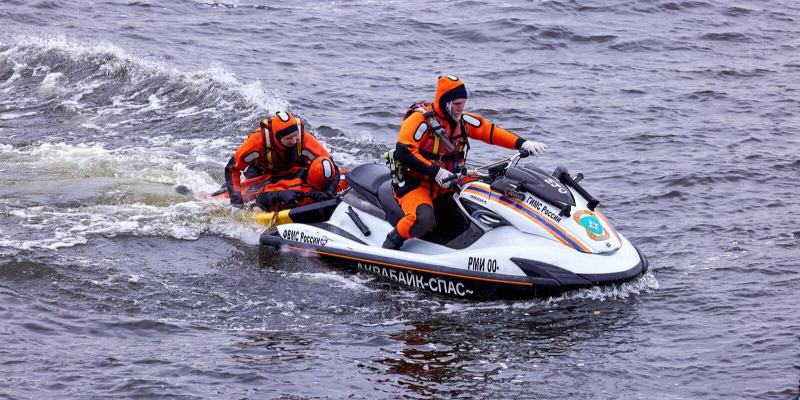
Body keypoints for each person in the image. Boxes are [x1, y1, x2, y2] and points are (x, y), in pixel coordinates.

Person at [383, 75, 548, 249]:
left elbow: (490, 132)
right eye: (456, 103)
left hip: (450, 181)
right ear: (444, 102)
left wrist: (523, 144)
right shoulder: (419, 121)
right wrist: (436, 172)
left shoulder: (463, 121)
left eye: (463, 103)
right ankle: (392, 241)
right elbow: (403, 152)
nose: (460, 108)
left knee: (494, 193)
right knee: (423, 219)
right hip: (416, 183)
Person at [224, 111, 341, 209]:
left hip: (293, 169)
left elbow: (330, 165)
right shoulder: (257, 142)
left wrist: (328, 193)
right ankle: (225, 189)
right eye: (289, 138)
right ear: (276, 138)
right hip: (262, 170)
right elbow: (232, 168)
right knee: (245, 195)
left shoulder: (303, 139)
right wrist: (237, 203)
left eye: (296, 135)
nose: (294, 141)